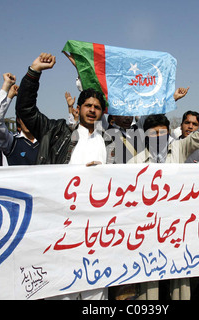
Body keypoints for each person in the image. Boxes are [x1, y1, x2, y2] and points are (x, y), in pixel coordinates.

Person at [16, 52, 120, 300]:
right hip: (60, 223)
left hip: (96, 227)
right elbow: (26, 109)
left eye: (97, 107)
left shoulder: (111, 144)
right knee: (61, 288)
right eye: (88, 106)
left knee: (96, 291)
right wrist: (34, 71)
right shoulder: (57, 132)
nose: (92, 110)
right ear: (78, 108)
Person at [129, 71, 199, 300]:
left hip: (178, 227)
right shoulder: (134, 163)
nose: (158, 134)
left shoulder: (179, 149)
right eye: (153, 131)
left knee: (181, 285)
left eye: (162, 130)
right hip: (147, 230)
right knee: (149, 288)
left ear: (169, 132)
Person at [0, 73, 39, 166]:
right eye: (23, 118)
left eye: (30, 117)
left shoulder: (46, 141)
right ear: (18, 120)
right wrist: (7, 89)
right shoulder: (12, 142)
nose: (27, 121)